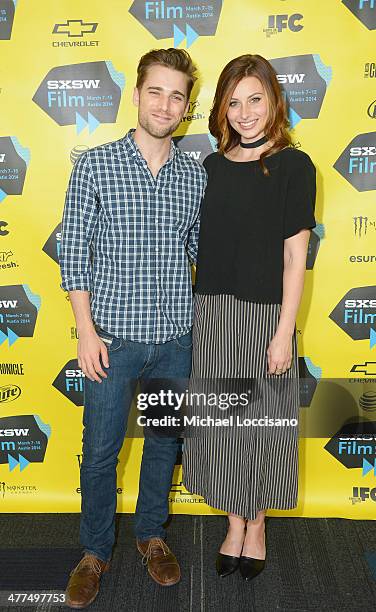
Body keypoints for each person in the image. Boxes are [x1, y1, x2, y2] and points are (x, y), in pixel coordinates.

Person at [59, 48, 207, 608]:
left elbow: (199, 251)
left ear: (186, 108)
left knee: (163, 445)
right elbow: (73, 251)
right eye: (156, 91)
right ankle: (95, 551)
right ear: (137, 93)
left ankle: (150, 535)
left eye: (177, 96)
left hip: (175, 338)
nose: (165, 104)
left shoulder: (195, 176)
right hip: (111, 339)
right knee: (99, 451)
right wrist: (85, 330)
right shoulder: (95, 165)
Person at [183, 54, 316, 581]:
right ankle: (233, 523)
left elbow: (294, 257)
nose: (244, 113)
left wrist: (285, 331)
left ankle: (255, 526)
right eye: (233, 102)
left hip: (266, 321)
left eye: (254, 99)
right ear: (221, 109)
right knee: (220, 431)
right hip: (213, 315)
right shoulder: (210, 168)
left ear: (273, 100)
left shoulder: (295, 166)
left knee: (260, 429)